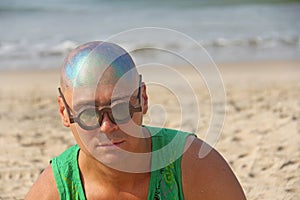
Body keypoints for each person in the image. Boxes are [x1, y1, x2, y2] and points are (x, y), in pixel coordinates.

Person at [25, 41, 246, 199]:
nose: (107, 125)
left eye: (121, 108)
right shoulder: (56, 189)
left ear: (143, 99)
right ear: (65, 112)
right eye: (89, 113)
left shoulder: (192, 164)